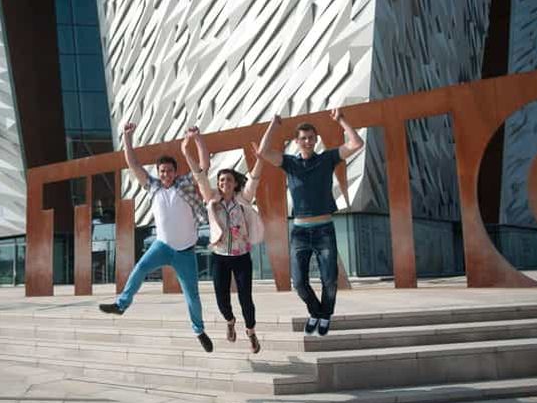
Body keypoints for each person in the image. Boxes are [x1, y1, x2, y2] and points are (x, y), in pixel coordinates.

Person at [99, 122, 214, 353]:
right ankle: (122, 305)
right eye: (162, 171)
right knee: (140, 268)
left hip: (185, 251)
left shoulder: (184, 183)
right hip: (161, 246)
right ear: (158, 173)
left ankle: (199, 330)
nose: (166, 175)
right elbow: (132, 163)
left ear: (175, 171)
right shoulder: (152, 187)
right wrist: (127, 137)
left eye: (170, 171)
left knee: (192, 295)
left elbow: (204, 165)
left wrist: (198, 139)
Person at [256, 109, 363, 336]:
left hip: (324, 228)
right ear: (296, 141)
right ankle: (316, 312)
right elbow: (264, 152)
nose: (306, 141)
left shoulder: (327, 158)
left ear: (316, 140)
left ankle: (325, 315)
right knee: (300, 283)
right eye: (302, 138)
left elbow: (356, 143)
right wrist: (274, 126)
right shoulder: (290, 163)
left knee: (330, 280)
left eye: (310, 138)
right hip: (300, 232)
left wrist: (342, 120)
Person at [181, 128, 265, 353]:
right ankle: (230, 322)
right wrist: (191, 145)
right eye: (221, 180)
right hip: (220, 257)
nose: (224, 183)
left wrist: (260, 160)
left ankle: (251, 332)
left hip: (241, 257)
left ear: (235, 184)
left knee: (246, 298)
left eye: (228, 180)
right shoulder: (212, 200)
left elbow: (255, 179)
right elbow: (199, 174)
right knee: (221, 299)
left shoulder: (243, 200)